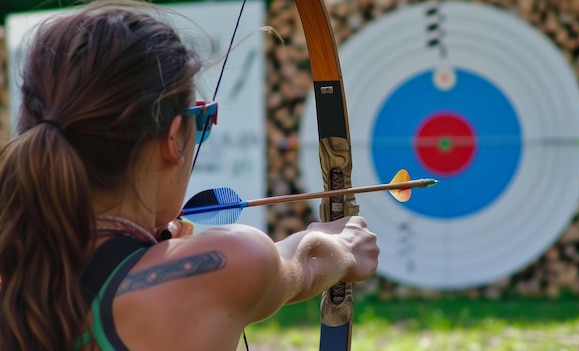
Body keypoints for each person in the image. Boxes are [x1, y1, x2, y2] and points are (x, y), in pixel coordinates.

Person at [0, 1, 379, 350]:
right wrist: (344, 244)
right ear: (173, 138)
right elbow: (305, 261)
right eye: (202, 120)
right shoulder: (228, 262)